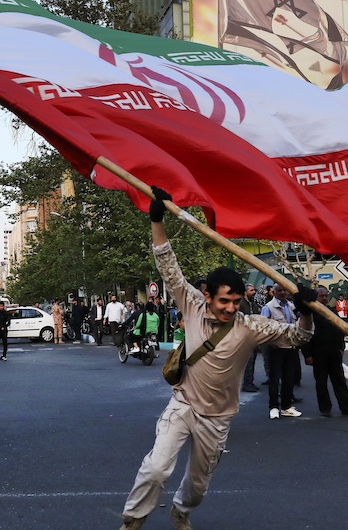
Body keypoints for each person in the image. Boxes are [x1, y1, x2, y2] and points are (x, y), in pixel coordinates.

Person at [118, 188, 315, 530]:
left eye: (236, 302)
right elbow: (167, 265)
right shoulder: (191, 303)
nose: (230, 308)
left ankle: (181, 512)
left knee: (197, 487)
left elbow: (298, 336)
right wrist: (156, 219)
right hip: (183, 406)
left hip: (218, 418)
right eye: (224, 301)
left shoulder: (250, 326)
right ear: (208, 295)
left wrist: (306, 310)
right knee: (157, 468)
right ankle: (133, 520)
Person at [301, 287, 348, 417]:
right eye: (322, 296)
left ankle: (346, 407)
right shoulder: (310, 313)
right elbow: (304, 335)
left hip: (334, 352)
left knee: (340, 381)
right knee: (321, 382)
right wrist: (308, 355)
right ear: (316, 297)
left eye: (326, 296)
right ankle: (325, 408)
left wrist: (341, 348)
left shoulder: (332, 312)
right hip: (318, 353)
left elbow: (339, 330)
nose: (325, 298)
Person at [262, 283, 303, 418]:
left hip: (290, 346)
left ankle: (286, 406)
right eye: (279, 291)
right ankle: (273, 407)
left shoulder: (291, 306)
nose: (283, 293)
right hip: (276, 348)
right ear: (274, 292)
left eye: (284, 290)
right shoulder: (268, 308)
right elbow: (263, 329)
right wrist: (271, 343)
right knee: (274, 379)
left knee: (288, 378)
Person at [238, 284, 260, 393]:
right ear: (245, 292)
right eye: (251, 290)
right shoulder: (241, 304)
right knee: (249, 361)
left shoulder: (253, 304)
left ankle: (250, 381)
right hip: (245, 337)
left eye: (254, 290)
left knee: (253, 360)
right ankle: (247, 383)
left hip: (254, 336)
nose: (254, 292)